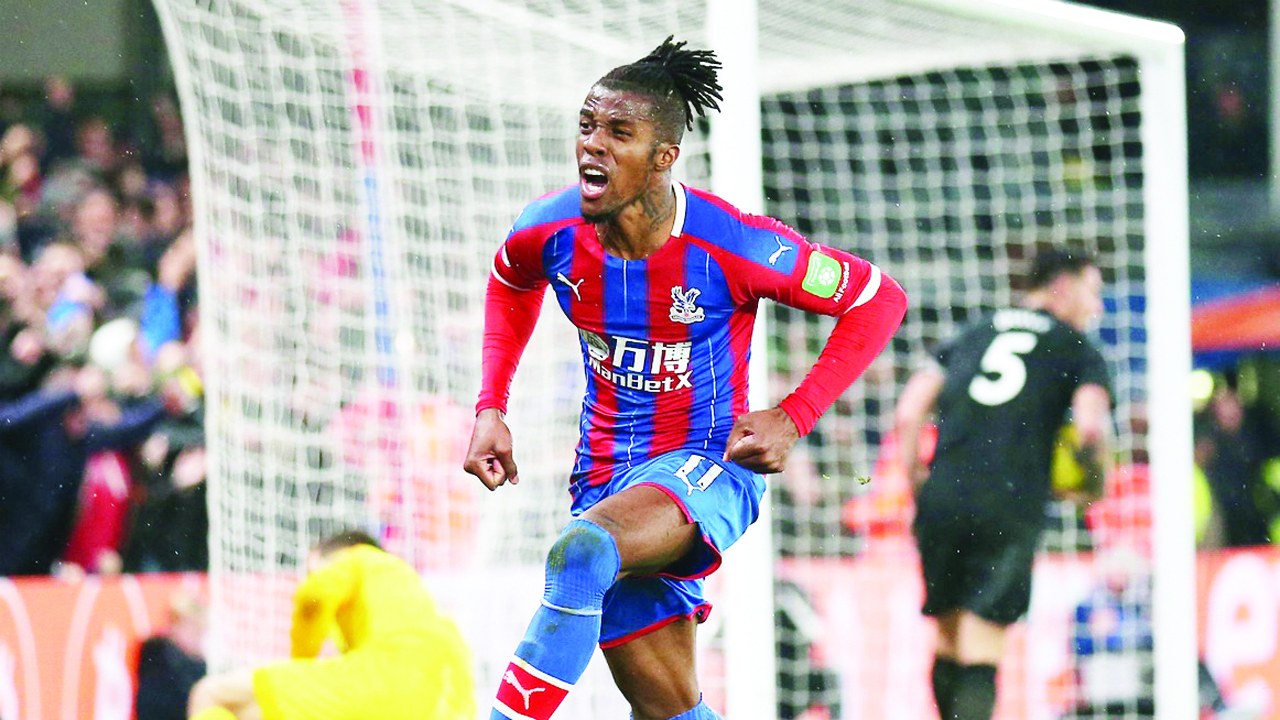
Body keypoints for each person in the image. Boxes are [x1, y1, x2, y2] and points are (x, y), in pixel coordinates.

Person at [462, 37, 907, 720]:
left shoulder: (735, 244)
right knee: (668, 711)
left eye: (619, 132)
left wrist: (795, 414)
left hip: (707, 466)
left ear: (664, 156)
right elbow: (510, 284)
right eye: (587, 125)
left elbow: (878, 299)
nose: (593, 145)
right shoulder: (547, 229)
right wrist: (491, 405)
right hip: (605, 478)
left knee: (581, 552)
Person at [893, 247, 1113, 720]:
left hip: (943, 495)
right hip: (1008, 502)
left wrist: (916, 480)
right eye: (1093, 292)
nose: (1097, 307)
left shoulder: (973, 332)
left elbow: (909, 411)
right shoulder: (1076, 348)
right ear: (1062, 287)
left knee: (948, 636)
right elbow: (1091, 428)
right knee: (982, 644)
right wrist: (1096, 484)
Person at [186, 530, 475, 720]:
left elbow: (314, 596)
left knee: (214, 696)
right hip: (435, 710)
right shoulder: (425, 610)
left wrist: (301, 660)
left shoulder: (357, 558)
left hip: (378, 688)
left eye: (311, 570)